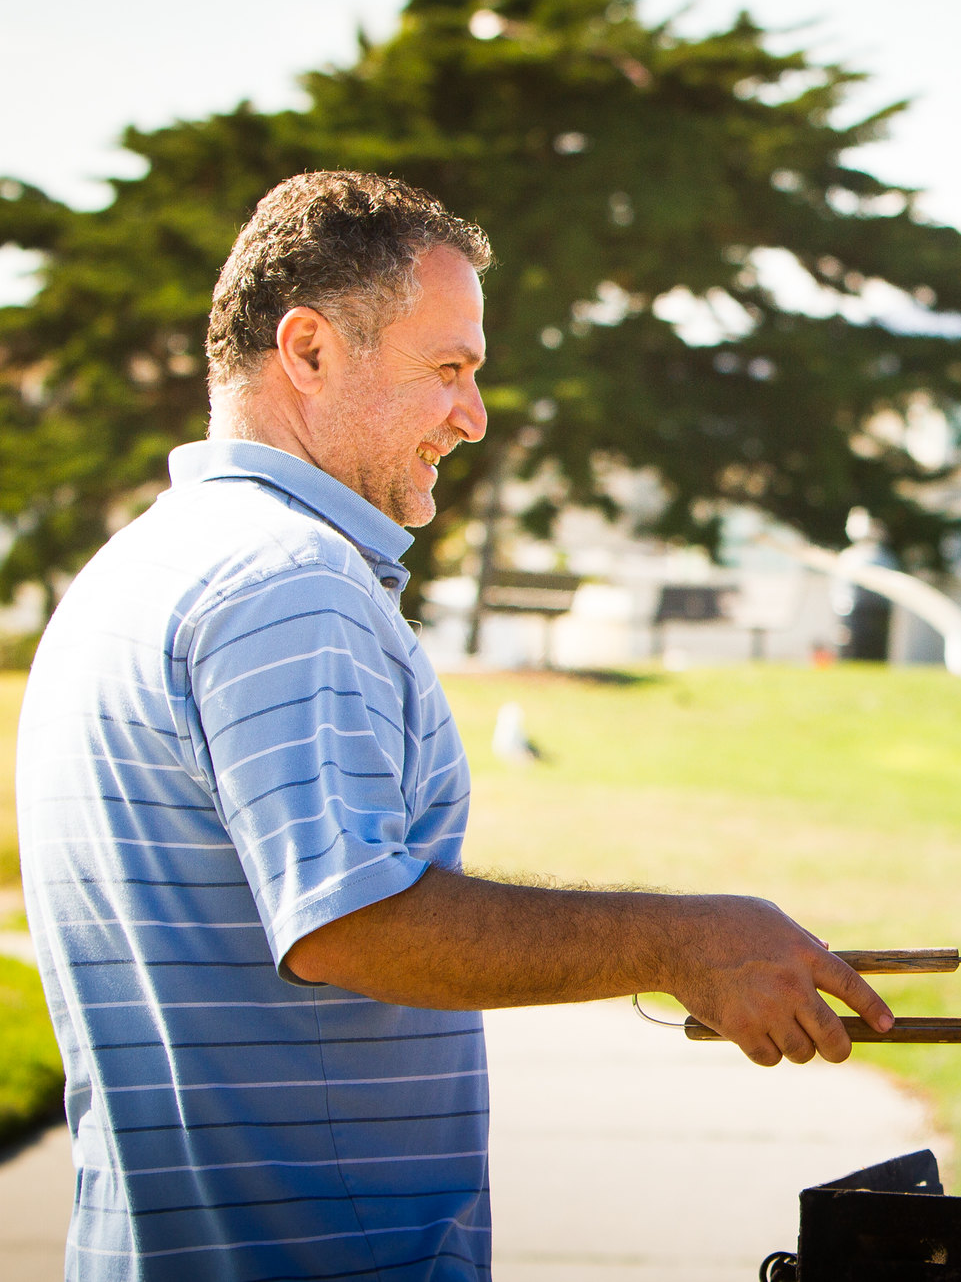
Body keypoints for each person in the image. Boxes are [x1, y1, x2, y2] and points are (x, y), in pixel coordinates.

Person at [15, 172, 894, 1280]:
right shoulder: (291, 583)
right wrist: (684, 939)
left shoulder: (142, 564)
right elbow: (350, 921)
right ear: (309, 349)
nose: (471, 418)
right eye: (449, 370)